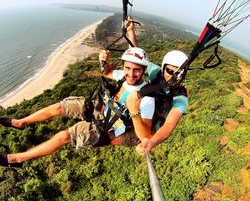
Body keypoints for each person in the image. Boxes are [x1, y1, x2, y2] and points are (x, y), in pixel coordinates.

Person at [0, 47, 155, 168]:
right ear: (124, 66)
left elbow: (145, 136)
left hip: (108, 129)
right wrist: (104, 62)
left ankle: (16, 159)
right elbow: (107, 73)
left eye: (136, 70)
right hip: (102, 110)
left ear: (143, 71)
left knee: (64, 136)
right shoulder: (123, 75)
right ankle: (20, 123)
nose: (131, 74)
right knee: (59, 107)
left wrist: (134, 111)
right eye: (127, 68)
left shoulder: (146, 98)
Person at [125, 17, 189, 155]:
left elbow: (169, 127)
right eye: (170, 71)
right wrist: (131, 31)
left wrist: (151, 142)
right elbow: (138, 58)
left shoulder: (180, 97)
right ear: (163, 68)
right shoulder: (156, 73)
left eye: (179, 74)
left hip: (153, 127)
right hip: (142, 112)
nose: (173, 77)